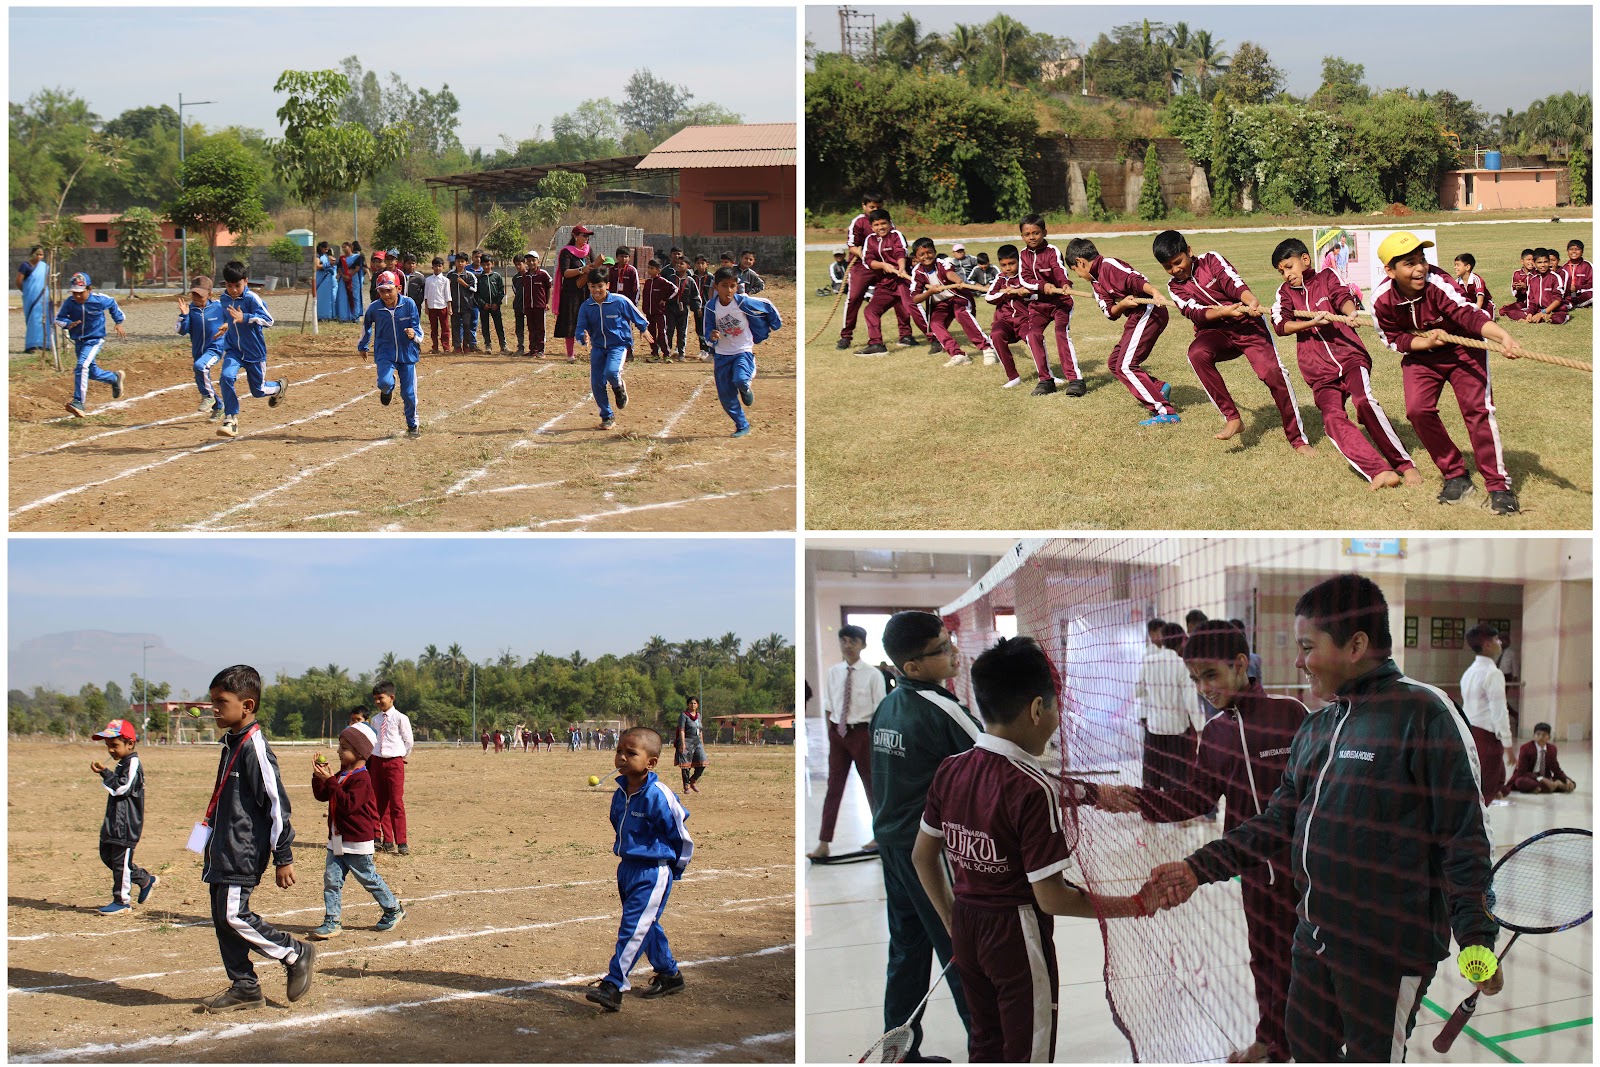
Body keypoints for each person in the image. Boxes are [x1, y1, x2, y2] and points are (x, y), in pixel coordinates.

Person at [1142, 574, 1499, 1063]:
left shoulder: (1424, 713)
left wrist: (1476, 935)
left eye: (1308, 646)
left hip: (1386, 954)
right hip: (1312, 939)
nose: (1297, 660)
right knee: (1308, 1051)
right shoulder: (1319, 725)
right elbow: (1278, 821)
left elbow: (1465, 838)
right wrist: (1197, 868)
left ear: (1356, 645)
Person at [913, 636, 1152, 1063]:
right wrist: (1133, 906)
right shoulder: (1033, 788)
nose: (1059, 720)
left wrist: (951, 919)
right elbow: (1052, 897)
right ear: (1038, 709)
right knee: (1028, 1052)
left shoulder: (951, 769)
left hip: (967, 924)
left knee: (985, 1042)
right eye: (1057, 708)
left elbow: (921, 856)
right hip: (1016, 936)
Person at [1104, 622, 1307, 1063]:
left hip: (1308, 872)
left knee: (1310, 963)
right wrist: (1136, 800)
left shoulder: (1292, 714)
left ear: (1239, 665)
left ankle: (1313, 1045)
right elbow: (1195, 798)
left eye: (1209, 675)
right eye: (1194, 679)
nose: (1203, 688)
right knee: (1266, 961)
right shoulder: (1214, 732)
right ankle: (1273, 1042)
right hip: (1252, 871)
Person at [869, 610, 983, 1062]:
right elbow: (1000, 762)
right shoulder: (943, 708)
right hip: (928, 856)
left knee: (907, 956)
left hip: (894, 850)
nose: (954, 651)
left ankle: (897, 1055)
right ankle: (989, 1050)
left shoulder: (888, 703)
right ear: (912, 666)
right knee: (963, 954)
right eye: (942, 648)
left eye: (949, 640)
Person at [1369, 231, 1530, 514]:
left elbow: (1467, 314)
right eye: (1409, 263)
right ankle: (1455, 474)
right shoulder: (1381, 300)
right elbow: (1395, 339)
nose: (1420, 268)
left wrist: (1501, 336)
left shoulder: (1438, 283)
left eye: (1422, 259)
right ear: (1390, 270)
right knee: (1418, 410)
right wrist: (1425, 342)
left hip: (1463, 350)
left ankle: (1498, 486)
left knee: (1477, 411)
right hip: (1422, 355)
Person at [200, 664, 316, 1014]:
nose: (214, 709)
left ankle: (294, 952)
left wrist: (283, 855)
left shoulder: (255, 749)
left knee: (235, 915)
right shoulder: (232, 743)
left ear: (247, 705)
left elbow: (277, 803)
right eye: (212, 701)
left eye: (221, 701)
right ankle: (244, 987)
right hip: (222, 849)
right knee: (223, 918)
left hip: (243, 851)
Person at [1269, 238, 1417, 490]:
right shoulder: (1284, 294)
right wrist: (1312, 323)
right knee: (1332, 419)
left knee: (1363, 402)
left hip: (1350, 357)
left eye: (1289, 266)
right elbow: (1281, 325)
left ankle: (1405, 465)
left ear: (1304, 260)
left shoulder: (1327, 276)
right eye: (1281, 271)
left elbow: (1342, 296)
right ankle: (1379, 472)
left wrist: (1350, 313)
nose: (1287, 274)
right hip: (1318, 371)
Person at [1153, 230, 1309, 450]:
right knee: (1196, 354)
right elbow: (1195, 312)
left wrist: (1250, 299)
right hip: (1214, 332)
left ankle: (1298, 440)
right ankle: (1232, 418)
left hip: (1247, 325)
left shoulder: (1211, 260)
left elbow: (1232, 283)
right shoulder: (1174, 287)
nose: (1175, 269)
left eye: (1178, 262)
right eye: (1168, 267)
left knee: (1273, 373)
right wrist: (1223, 313)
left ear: (1189, 252)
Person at [585, 727, 692, 1012]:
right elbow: (617, 824)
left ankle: (613, 984)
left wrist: (673, 869)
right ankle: (670, 975)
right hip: (627, 869)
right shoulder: (620, 792)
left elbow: (681, 836)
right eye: (619, 750)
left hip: (653, 872)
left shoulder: (658, 796)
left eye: (630, 753)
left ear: (651, 762)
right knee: (647, 926)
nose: (621, 756)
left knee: (633, 928)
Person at [1064, 237, 1177, 423]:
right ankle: (1158, 387)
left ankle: (1165, 413)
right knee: (1115, 362)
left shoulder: (1108, 265)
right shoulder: (1095, 282)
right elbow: (1110, 312)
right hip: (1135, 316)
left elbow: (1135, 280)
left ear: (1080, 262)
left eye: (1075, 271)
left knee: (1126, 365)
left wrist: (1154, 291)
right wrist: (1123, 304)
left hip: (1150, 312)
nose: (1078, 275)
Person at [308, 725, 405, 939]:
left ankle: (393, 909)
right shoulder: (342, 774)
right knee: (332, 880)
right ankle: (332, 920)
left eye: (344, 748)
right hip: (337, 839)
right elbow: (323, 795)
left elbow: (348, 804)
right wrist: (319, 777)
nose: (338, 752)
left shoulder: (362, 778)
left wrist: (330, 781)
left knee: (368, 878)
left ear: (360, 753)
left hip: (357, 841)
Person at [808, 624, 886, 860]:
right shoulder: (834, 672)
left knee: (873, 788)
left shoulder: (873, 674)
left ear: (863, 645)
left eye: (853, 641)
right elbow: (829, 705)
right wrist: (831, 730)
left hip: (864, 734)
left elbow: (880, 708)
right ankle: (824, 842)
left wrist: (874, 739)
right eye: (843, 641)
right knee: (834, 788)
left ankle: (880, 837)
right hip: (839, 736)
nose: (847, 645)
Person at [702, 265, 782, 438]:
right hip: (722, 355)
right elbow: (706, 331)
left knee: (740, 379)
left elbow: (767, 305)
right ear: (716, 287)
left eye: (732, 286)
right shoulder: (711, 307)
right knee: (725, 396)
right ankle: (742, 425)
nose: (728, 290)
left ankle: (745, 387)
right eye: (724, 285)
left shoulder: (742, 302)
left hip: (742, 351)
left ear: (736, 286)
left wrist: (776, 323)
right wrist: (711, 336)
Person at [90, 718, 156, 915]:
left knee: (120, 862)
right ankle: (144, 880)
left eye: (115, 745)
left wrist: (106, 774)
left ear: (130, 743)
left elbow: (122, 787)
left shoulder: (133, 762)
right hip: (114, 823)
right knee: (108, 857)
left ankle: (122, 901)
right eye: (108, 746)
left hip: (125, 825)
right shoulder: (122, 763)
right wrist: (105, 772)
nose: (110, 750)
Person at [214, 261, 286, 439]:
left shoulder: (252, 299)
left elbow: (269, 320)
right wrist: (226, 324)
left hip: (254, 352)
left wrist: (245, 317)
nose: (233, 290)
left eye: (237, 285)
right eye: (229, 286)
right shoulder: (223, 299)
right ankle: (230, 418)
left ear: (245, 281)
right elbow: (229, 318)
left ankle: (278, 387)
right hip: (234, 350)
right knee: (226, 377)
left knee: (258, 391)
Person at [575, 267, 650, 431]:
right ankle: (607, 416)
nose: (597, 290)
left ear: (607, 285)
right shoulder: (586, 307)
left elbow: (635, 314)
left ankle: (618, 387)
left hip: (618, 345)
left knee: (611, 372)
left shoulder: (619, 301)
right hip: (598, 348)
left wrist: (643, 328)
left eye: (600, 286)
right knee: (596, 383)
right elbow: (580, 328)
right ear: (588, 286)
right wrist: (583, 336)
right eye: (593, 286)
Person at [1135, 619, 1202, 797]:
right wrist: (1201, 728)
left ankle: (1149, 810)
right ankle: (1177, 814)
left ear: (1163, 640)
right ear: (1181, 641)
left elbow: (1138, 691)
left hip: (1154, 726)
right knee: (1177, 773)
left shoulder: (1148, 662)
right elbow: (1191, 701)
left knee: (1152, 771)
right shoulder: (1182, 666)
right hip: (1177, 729)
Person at [1017, 214, 1082, 395]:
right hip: (1038, 305)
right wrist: (1041, 286)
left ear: (1044, 232)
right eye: (1027, 234)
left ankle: (1076, 380)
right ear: (1022, 236)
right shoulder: (1022, 255)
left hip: (1060, 302)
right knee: (1032, 335)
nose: (1032, 237)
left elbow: (1059, 270)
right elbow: (1025, 279)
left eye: (1036, 233)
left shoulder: (1052, 250)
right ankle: (1046, 380)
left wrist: (1065, 284)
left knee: (1061, 333)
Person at [358, 271, 423, 439]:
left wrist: (413, 335)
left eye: (389, 290)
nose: (386, 294)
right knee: (385, 382)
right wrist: (363, 345)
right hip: (385, 352)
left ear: (398, 288)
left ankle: (412, 424)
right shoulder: (375, 308)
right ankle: (387, 389)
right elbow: (366, 326)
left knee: (409, 394)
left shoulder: (409, 304)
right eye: (382, 291)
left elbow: (418, 329)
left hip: (407, 353)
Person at [909, 237, 992, 368]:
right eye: (922, 254)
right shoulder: (917, 272)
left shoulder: (942, 262)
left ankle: (987, 348)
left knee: (961, 313)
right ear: (916, 257)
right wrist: (929, 292)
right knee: (935, 324)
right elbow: (915, 298)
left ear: (935, 251)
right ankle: (957, 354)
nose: (926, 256)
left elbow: (949, 274)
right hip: (940, 304)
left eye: (929, 252)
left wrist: (958, 281)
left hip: (957, 297)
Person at [54, 271, 127, 418]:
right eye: (74, 293)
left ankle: (78, 402)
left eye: (81, 292)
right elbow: (58, 319)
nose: (77, 296)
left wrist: (118, 322)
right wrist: (68, 324)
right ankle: (114, 378)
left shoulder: (99, 300)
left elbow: (112, 303)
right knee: (91, 372)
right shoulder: (69, 303)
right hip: (79, 341)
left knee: (82, 366)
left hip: (94, 339)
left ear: (89, 290)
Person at [1460, 624, 1513, 805]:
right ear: (1487, 644)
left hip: (1470, 734)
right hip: (1488, 737)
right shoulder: (1493, 673)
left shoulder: (1468, 673)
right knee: (1485, 790)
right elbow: (1499, 711)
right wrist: (1508, 744)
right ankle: (1478, 830)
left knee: (1475, 784)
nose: (1500, 643)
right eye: (1497, 639)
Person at [857, 209, 916, 354]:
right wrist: (883, 265)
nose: (880, 227)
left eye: (883, 223)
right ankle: (876, 344)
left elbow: (900, 251)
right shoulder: (869, 240)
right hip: (884, 283)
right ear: (871, 227)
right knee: (870, 311)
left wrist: (901, 267)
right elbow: (868, 260)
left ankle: (932, 338)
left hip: (901, 280)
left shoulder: (896, 235)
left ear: (890, 223)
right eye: (876, 224)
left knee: (910, 309)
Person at [982, 245, 1040, 388]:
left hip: (1024, 320)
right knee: (995, 335)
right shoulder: (1000, 278)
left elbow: (1037, 294)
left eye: (1011, 264)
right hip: (1004, 320)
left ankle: (1046, 375)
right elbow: (989, 297)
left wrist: (1026, 294)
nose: (1007, 268)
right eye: (1003, 265)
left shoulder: (1025, 277)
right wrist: (1006, 293)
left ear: (1019, 261)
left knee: (1034, 337)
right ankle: (1012, 376)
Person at [368, 681, 413, 855]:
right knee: (378, 802)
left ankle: (401, 841)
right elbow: (373, 740)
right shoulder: (375, 719)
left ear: (391, 697)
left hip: (394, 762)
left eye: (381, 698)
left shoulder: (401, 718)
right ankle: (384, 839)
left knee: (396, 802)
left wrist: (402, 757)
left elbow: (408, 741)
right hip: (377, 762)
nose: (378, 702)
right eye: (375, 699)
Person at [837, 191, 886, 349]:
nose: (874, 210)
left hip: (882, 266)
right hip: (861, 267)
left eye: (877, 207)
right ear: (864, 206)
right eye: (871, 207)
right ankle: (846, 336)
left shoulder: (886, 220)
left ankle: (905, 334)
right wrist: (866, 255)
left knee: (898, 296)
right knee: (854, 298)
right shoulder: (858, 222)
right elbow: (852, 246)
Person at [177, 276, 229, 422]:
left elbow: (233, 319)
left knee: (200, 366)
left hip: (215, 348)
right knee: (200, 375)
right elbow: (181, 330)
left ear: (210, 295)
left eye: (200, 295)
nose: (196, 298)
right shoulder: (190, 310)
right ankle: (219, 406)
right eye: (194, 294)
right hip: (198, 351)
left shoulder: (219, 307)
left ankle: (209, 397)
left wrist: (227, 325)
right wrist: (184, 315)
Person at [1504, 248, 1568, 324]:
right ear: (1534, 263)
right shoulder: (1533, 279)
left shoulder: (1555, 277)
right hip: (1538, 310)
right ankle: (1537, 318)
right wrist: (1530, 313)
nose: (1543, 265)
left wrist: (1543, 313)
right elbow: (1532, 301)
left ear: (1549, 262)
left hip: (1554, 310)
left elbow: (1558, 300)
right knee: (1512, 313)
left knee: (1559, 318)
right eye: (1539, 262)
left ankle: (1546, 317)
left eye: (1545, 262)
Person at [1509, 722, 1577, 793]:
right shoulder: (1525, 748)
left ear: (1549, 737)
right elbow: (1522, 772)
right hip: (1529, 776)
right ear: (1533, 736)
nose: (1541, 737)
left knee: (1572, 783)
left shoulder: (1552, 749)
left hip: (1546, 777)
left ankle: (1542, 788)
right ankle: (1557, 786)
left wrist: (1566, 779)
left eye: (1544, 735)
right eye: (1538, 734)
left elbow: (1556, 769)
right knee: (1519, 782)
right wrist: (1541, 779)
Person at [662, 247, 700, 361]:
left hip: (683, 309)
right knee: (669, 330)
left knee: (682, 331)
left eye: (681, 263)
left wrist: (697, 307)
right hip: (670, 307)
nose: (678, 265)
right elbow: (664, 292)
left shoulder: (690, 280)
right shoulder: (670, 278)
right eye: (677, 264)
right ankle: (666, 352)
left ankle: (681, 352)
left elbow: (695, 295)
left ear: (687, 266)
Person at [639, 259, 678, 361]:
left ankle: (666, 354)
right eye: (649, 268)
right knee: (651, 333)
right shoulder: (647, 282)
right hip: (649, 313)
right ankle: (654, 353)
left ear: (658, 270)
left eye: (652, 268)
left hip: (660, 312)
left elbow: (675, 289)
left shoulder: (662, 282)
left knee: (662, 332)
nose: (649, 270)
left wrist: (665, 299)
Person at [673, 697, 709, 793]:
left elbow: (700, 730)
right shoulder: (684, 715)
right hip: (686, 741)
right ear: (688, 705)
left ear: (697, 705)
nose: (693, 705)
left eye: (695, 703)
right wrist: (682, 744)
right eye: (691, 703)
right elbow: (682, 730)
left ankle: (692, 781)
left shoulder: (698, 716)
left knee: (703, 762)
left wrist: (702, 742)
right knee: (686, 765)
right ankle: (686, 786)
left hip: (697, 742)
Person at [17, 245, 48, 352]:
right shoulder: (25, 266)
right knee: (33, 320)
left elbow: (47, 282)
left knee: (44, 320)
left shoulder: (44, 267)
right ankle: (32, 346)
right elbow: (18, 281)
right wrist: (28, 291)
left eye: (41, 254)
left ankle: (45, 344)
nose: (39, 256)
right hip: (30, 299)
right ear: (32, 254)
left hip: (43, 299)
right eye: (37, 254)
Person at [448, 255, 479, 353]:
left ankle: (467, 345)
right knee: (455, 325)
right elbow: (446, 290)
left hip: (467, 306)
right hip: (454, 305)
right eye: (458, 261)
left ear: (466, 263)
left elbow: (474, 289)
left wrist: (464, 284)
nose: (460, 264)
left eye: (462, 261)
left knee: (466, 325)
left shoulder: (470, 275)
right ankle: (457, 346)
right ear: (455, 262)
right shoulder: (450, 275)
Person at [477, 254, 507, 353]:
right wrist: (483, 304)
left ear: (492, 264)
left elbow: (501, 291)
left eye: (488, 264)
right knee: (485, 326)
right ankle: (488, 346)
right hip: (484, 307)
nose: (486, 267)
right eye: (484, 265)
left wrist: (497, 303)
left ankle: (503, 346)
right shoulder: (479, 278)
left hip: (495, 306)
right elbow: (476, 294)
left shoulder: (496, 276)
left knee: (499, 325)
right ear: (481, 265)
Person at [1451, 253, 1496, 317]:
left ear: (1467, 267)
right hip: (1471, 306)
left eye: (1458, 265)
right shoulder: (1456, 282)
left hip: (1485, 306)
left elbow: (1480, 301)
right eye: (1455, 265)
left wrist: (1474, 315)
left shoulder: (1477, 280)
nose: (1455, 267)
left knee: (1482, 322)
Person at [423, 257, 452, 353]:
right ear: (432, 267)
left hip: (442, 306)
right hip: (432, 307)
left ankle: (446, 347)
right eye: (435, 266)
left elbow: (448, 295)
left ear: (443, 267)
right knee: (433, 328)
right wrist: (426, 307)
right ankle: (435, 347)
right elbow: (426, 295)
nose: (437, 268)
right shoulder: (428, 280)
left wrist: (449, 307)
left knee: (445, 328)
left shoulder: (445, 280)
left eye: (439, 266)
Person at [1562, 239, 1591, 309]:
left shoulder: (1587, 265)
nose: (1574, 251)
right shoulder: (1564, 268)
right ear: (1567, 251)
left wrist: (1577, 287)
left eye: (1577, 249)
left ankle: (1579, 303)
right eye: (1571, 249)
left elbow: (1592, 283)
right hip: (1569, 295)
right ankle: (1572, 304)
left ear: (1582, 252)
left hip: (1582, 294)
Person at [314, 241, 337, 321]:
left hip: (326, 280)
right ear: (321, 248)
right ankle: (321, 316)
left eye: (327, 249)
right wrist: (326, 265)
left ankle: (328, 315)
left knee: (327, 299)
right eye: (325, 249)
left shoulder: (325, 255)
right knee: (321, 298)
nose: (326, 251)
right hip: (320, 278)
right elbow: (317, 266)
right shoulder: (317, 256)